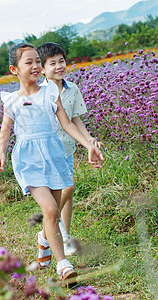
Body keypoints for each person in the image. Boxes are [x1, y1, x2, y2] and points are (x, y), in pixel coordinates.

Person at [0, 43, 104, 284]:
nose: (35, 66)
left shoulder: (50, 92)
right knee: (51, 210)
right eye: (28, 62)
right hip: (28, 161)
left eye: (37, 61)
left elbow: (68, 124)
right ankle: (63, 265)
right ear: (14, 69)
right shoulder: (11, 100)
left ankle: (44, 245)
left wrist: (89, 145)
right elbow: (5, 132)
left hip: (53, 156)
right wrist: (0, 154)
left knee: (53, 211)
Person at [37, 42, 103, 257]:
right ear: (42, 69)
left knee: (68, 194)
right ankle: (55, 232)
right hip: (48, 151)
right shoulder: (39, 92)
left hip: (68, 148)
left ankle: (55, 235)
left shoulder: (72, 89)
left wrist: (89, 141)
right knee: (68, 187)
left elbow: (75, 120)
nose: (59, 66)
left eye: (61, 61)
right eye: (52, 63)